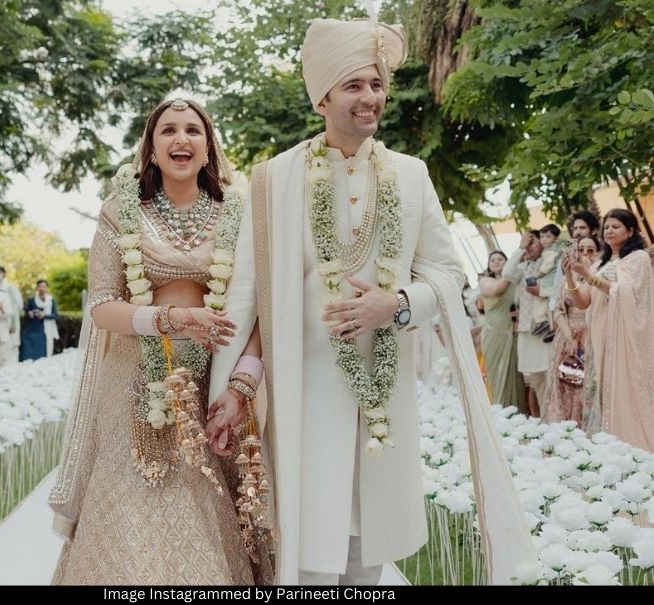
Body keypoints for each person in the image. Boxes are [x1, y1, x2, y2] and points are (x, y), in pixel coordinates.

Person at [209, 17, 534, 585]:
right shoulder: (272, 180)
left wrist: (399, 303)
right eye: (355, 85)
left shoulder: (410, 176)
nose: (371, 98)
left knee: (369, 548)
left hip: (383, 392)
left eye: (377, 85)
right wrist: (234, 387)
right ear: (322, 98)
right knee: (307, 546)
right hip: (303, 393)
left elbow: (445, 270)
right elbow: (248, 295)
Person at [48, 98, 262, 585]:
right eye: (168, 131)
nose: (180, 140)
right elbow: (102, 305)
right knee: (127, 504)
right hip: (132, 380)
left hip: (207, 381)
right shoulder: (121, 213)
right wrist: (173, 318)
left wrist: (240, 385)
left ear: (209, 149)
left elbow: (256, 309)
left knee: (203, 504)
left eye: (193, 130)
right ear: (151, 148)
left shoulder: (239, 215)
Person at [564, 209, 654, 450]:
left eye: (616, 226)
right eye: (607, 227)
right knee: (606, 388)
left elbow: (626, 293)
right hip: (601, 334)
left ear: (631, 230)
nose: (609, 231)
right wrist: (571, 277)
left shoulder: (638, 259)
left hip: (627, 337)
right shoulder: (600, 263)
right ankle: (615, 445)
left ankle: (638, 446)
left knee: (629, 387)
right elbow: (583, 302)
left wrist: (587, 275)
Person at [546, 236, 599, 427]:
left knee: (587, 387)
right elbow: (558, 310)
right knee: (565, 384)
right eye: (581, 250)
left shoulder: (598, 279)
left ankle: (586, 428)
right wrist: (569, 336)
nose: (585, 254)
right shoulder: (567, 279)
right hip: (567, 338)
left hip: (593, 337)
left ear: (598, 253)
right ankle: (564, 429)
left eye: (590, 250)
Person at [502, 230, 552, 417]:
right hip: (526, 330)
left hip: (547, 329)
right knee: (536, 380)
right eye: (525, 243)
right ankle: (545, 421)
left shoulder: (549, 264)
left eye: (532, 242)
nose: (528, 247)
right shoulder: (522, 269)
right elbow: (507, 273)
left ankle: (555, 419)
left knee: (550, 377)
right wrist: (520, 248)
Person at [478, 251, 524, 408]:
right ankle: (497, 410)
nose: (496, 262)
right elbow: (495, 290)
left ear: (507, 262)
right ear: (489, 265)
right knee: (495, 375)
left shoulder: (516, 282)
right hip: (492, 334)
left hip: (512, 334)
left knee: (515, 377)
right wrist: (509, 273)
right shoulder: (485, 280)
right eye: (493, 260)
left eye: (500, 259)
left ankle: (515, 413)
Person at [21, 279, 60, 360]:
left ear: (47, 288)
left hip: (47, 329)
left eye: (44, 286)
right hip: (34, 329)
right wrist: (29, 313)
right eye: (40, 286)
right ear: (37, 288)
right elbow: (26, 314)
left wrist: (44, 315)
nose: (42, 288)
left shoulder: (51, 300)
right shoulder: (31, 300)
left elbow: (55, 315)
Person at [0, 266, 22, 363]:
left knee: (12, 348)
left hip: (11, 322)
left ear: (4, 274)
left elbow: (17, 306)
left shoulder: (10, 288)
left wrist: (12, 324)